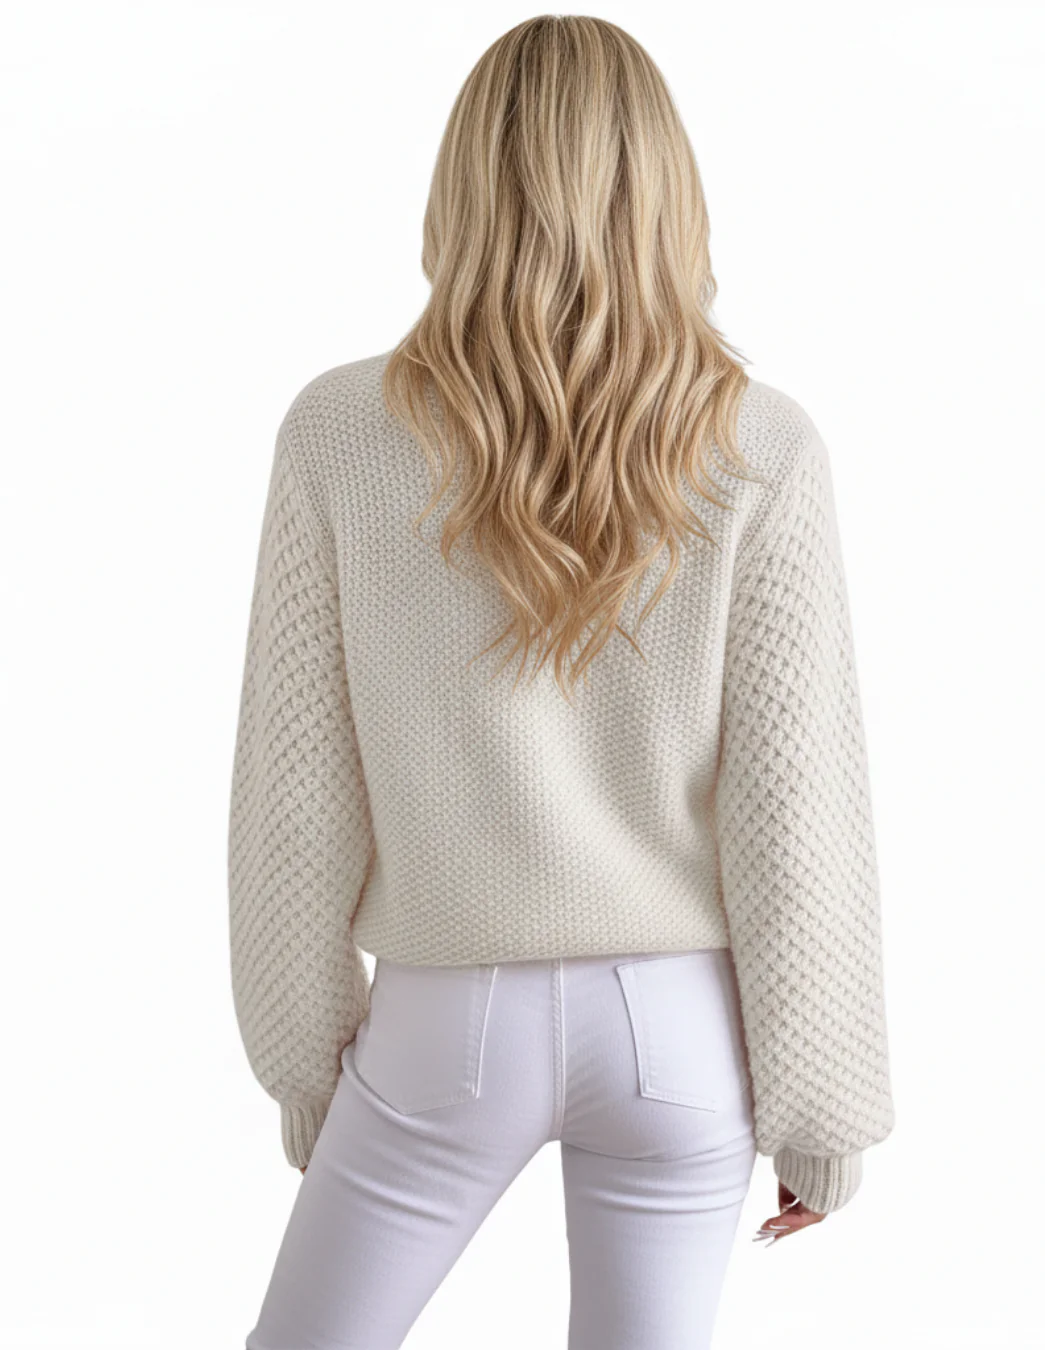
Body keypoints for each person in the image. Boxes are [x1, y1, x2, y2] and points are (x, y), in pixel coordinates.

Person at [227, 14, 895, 1349]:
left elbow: (296, 794)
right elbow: (795, 805)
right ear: (668, 191)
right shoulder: (761, 445)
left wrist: (303, 1063)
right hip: (681, 1034)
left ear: (461, 185)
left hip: (440, 1023)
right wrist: (822, 1110)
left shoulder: (341, 431)